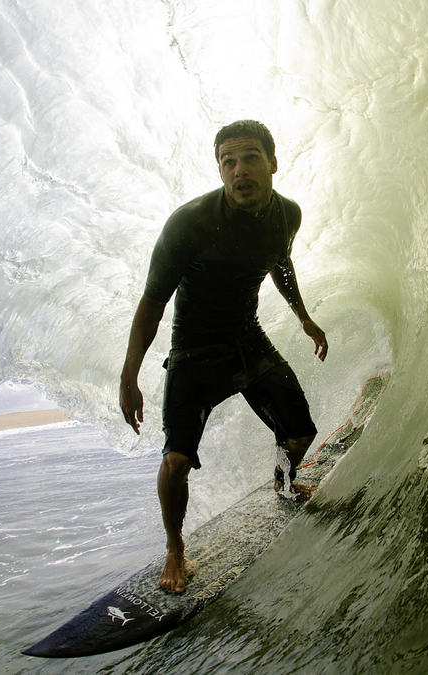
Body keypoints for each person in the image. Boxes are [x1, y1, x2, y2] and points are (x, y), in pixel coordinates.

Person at [118, 120, 327, 595]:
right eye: (228, 162)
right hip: (193, 349)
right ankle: (175, 548)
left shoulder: (286, 216)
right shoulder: (189, 223)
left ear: (273, 163)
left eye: (251, 158)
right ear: (219, 169)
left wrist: (304, 318)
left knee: (300, 432)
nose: (239, 171)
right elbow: (152, 304)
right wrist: (129, 375)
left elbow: (281, 263)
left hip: (246, 339)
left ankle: (283, 477)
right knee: (175, 460)